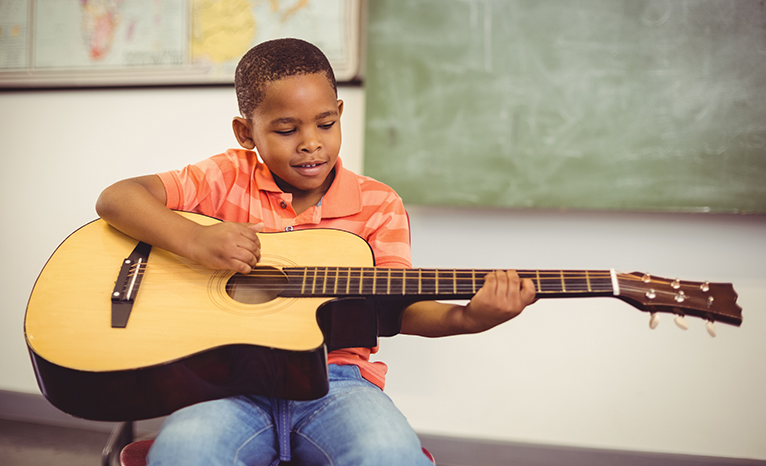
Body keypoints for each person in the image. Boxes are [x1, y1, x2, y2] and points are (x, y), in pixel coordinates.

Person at [96, 38, 536, 466]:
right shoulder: (224, 178)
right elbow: (117, 198)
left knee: (389, 456)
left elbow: (397, 309)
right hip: (227, 381)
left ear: (340, 114)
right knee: (187, 454)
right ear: (245, 132)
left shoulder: (378, 205)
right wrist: (194, 240)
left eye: (325, 124)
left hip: (338, 384)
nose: (311, 143)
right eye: (286, 129)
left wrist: (469, 318)